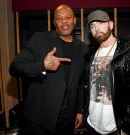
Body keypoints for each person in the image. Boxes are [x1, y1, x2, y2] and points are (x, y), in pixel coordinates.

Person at [9, 4, 89, 135]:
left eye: (68, 17)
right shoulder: (39, 39)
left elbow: (80, 83)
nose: (64, 21)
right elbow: (14, 67)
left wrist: (79, 110)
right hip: (39, 119)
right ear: (54, 22)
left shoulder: (83, 48)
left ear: (74, 20)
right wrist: (42, 66)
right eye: (59, 18)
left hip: (68, 120)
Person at [84, 10, 130, 135]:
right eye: (92, 26)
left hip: (116, 128)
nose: (97, 28)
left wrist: (127, 127)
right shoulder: (90, 55)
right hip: (92, 124)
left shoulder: (129, 52)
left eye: (100, 23)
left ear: (111, 25)